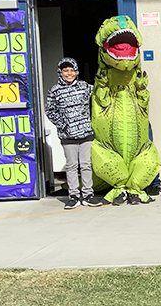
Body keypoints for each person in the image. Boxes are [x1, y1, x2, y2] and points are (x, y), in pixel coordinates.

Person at [46, 57, 102, 209]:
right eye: (65, 71)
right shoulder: (55, 90)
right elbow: (50, 111)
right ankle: (73, 196)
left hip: (85, 132)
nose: (69, 73)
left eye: (71, 70)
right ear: (61, 72)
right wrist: (63, 124)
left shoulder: (84, 87)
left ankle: (88, 195)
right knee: (71, 166)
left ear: (76, 71)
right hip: (68, 135)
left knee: (86, 165)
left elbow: (100, 91)